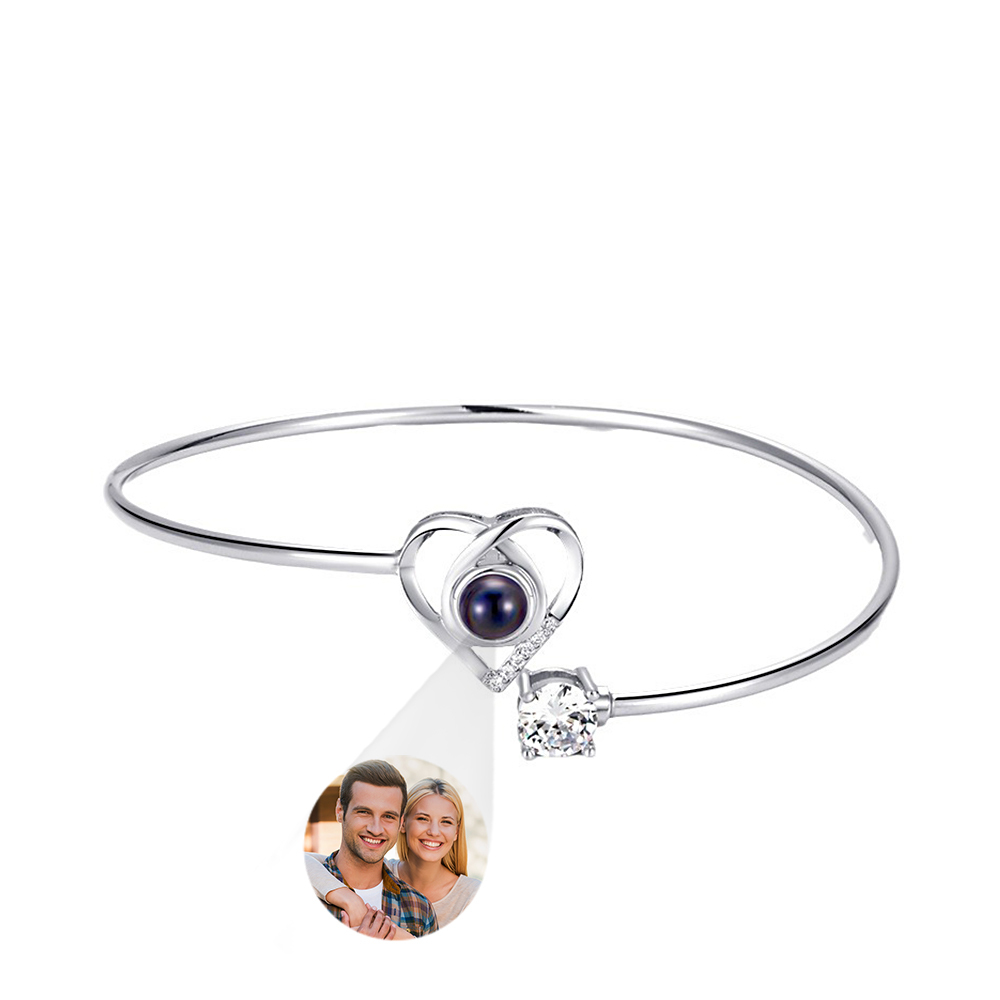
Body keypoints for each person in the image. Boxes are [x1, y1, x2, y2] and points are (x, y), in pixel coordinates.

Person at [307, 774, 481, 933]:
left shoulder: (472, 895)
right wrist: (348, 899)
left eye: (446, 822)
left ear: (456, 831)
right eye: (422, 819)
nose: (434, 832)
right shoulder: (381, 871)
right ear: (402, 823)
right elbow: (306, 862)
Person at [313, 759, 438, 939]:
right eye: (364, 812)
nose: (376, 829)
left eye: (388, 816)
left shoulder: (419, 910)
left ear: (401, 822)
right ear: (340, 811)